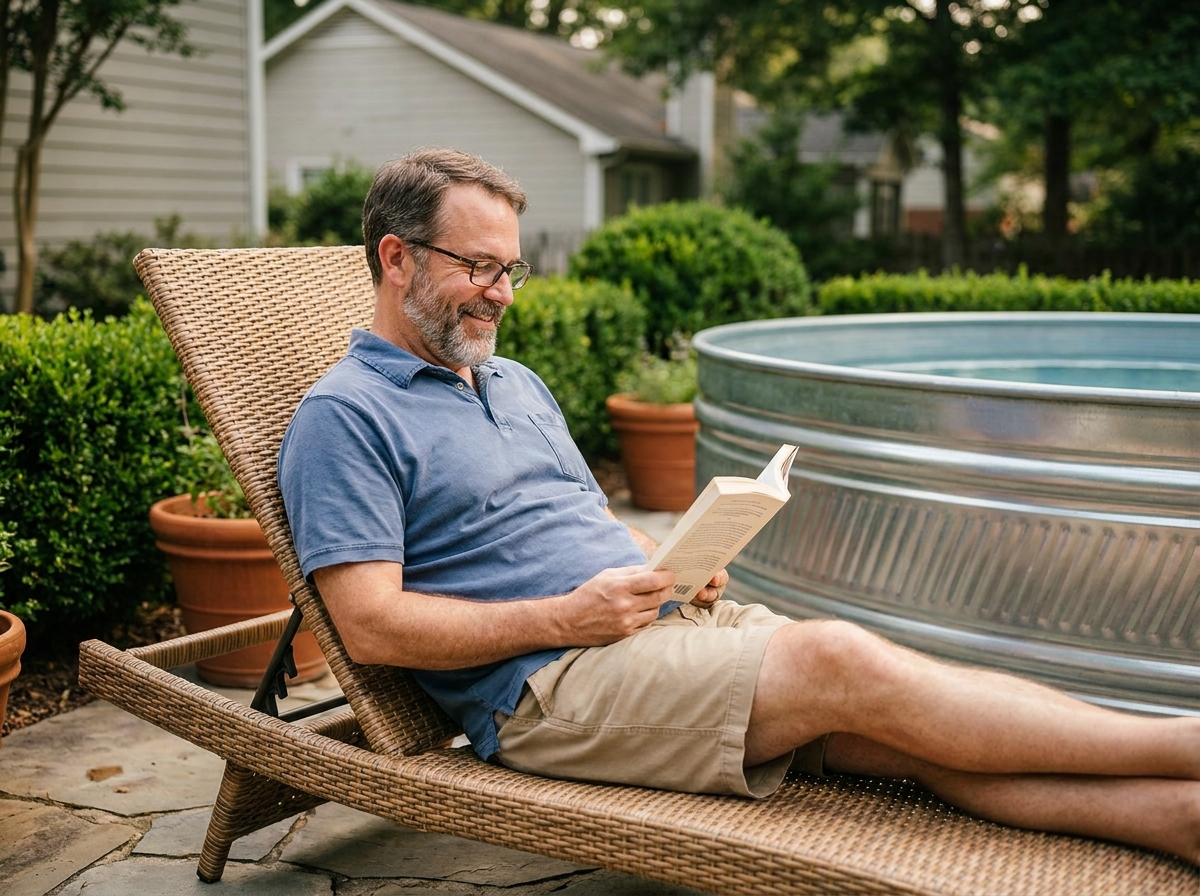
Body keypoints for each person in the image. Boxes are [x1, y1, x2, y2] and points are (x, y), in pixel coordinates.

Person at [278, 148, 1200, 865]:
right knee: (839, 657)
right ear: (396, 259)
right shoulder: (344, 417)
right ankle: (1183, 745)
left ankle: (1176, 816)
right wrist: (568, 615)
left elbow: (576, 519)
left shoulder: (510, 380)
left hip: (646, 633)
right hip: (548, 689)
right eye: (479, 266)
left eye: (513, 270)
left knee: (901, 731)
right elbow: (370, 629)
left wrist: (668, 556)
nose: (503, 294)